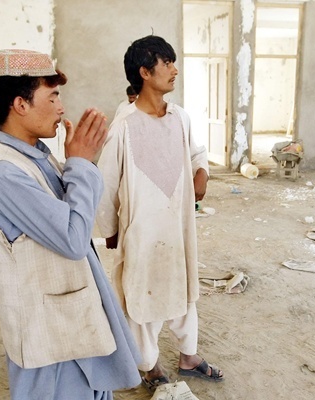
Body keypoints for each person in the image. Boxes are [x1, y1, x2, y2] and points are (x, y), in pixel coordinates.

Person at [0, 49, 141, 400]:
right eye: (52, 96)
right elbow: (72, 238)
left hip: (68, 323)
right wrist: (79, 163)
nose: (61, 107)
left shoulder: (32, 154)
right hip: (47, 336)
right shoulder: (4, 172)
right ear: (21, 104)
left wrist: (76, 164)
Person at [95, 35, 223, 392]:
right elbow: (105, 183)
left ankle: (189, 356)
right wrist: (110, 229)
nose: (174, 70)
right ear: (145, 72)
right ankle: (149, 366)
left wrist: (201, 174)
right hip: (143, 230)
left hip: (179, 227)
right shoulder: (123, 127)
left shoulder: (180, 118)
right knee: (143, 295)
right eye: (167, 63)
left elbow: (197, 153)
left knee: (183, 288)